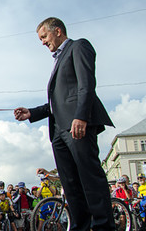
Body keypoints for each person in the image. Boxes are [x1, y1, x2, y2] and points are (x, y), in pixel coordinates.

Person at [14, 17, 115, 230]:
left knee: (89, 177)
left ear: (57, 31)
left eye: (44, 36)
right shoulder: (58, 59)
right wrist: (32, 112)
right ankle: (80, 226)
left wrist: (81, 116)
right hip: (59, 130)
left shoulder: (78, 46)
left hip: (77, 124)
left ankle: (103, 226)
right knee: (70, 183)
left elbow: (86, 85)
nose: (42, 42)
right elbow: (58, 101)